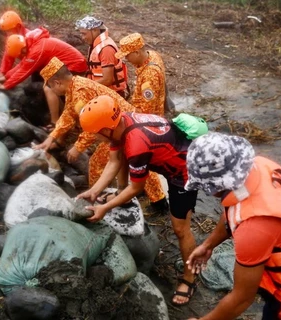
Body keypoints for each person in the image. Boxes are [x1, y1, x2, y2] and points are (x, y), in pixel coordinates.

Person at [76, 95, 198, 306]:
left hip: (184, 171)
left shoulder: (136, 142)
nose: (96, 139)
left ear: (105, 130)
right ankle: (118, 195)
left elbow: (137, 187)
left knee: (181, 228)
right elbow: (115, 160)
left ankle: (190, 278)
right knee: (122, 155)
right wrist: (95, 191)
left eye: (95, 135)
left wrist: (105, 207)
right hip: (171, 153)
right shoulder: (121, 122)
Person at [184, 132, 281, 320]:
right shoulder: (260, 166)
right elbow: (235, 209)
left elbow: (241, 299)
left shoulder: (254, 231)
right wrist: (208, 245)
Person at [33, 57, 135, 189]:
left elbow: (93, 125)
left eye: (51, 86)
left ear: (57, 83)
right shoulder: (74, 85)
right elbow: (68, 115)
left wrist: (78, 147)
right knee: (132, 159)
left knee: (98, 164)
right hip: (120, 123)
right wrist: (52, 137)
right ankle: (141, 195)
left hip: (120, 126)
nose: (52, 90)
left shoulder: (80, 93)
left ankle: (99, 195)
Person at [114, 32, 171, 210]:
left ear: (137, 52)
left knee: (143, 159)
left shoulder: (149, 77)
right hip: (152, 116)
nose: (126, 60)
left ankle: (159, 201)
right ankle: (143, 190)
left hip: (146, 123)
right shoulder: (152, 56)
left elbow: (145, 111)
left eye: (128, 56)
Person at [0, 33, 87, 127]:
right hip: (63, 64)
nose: (20, 58)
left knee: (49, 88)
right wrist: (6, 77)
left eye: (19, 55)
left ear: (22, 50)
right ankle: (60, 110)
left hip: (74, 66)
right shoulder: (30, 42)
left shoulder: (36, 51)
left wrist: (5, 86)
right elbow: (23, 65)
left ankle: (55, 121)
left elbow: (24, 71)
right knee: (42, 78)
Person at [75, 16, 128, 98]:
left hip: (112, 96)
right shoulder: (95, 45)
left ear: (95, 30)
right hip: (101, 92)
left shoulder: (106, 49)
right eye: (81, 34)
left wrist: (86, 86)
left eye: (84, 34)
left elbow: (107, 80)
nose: (83, 37)